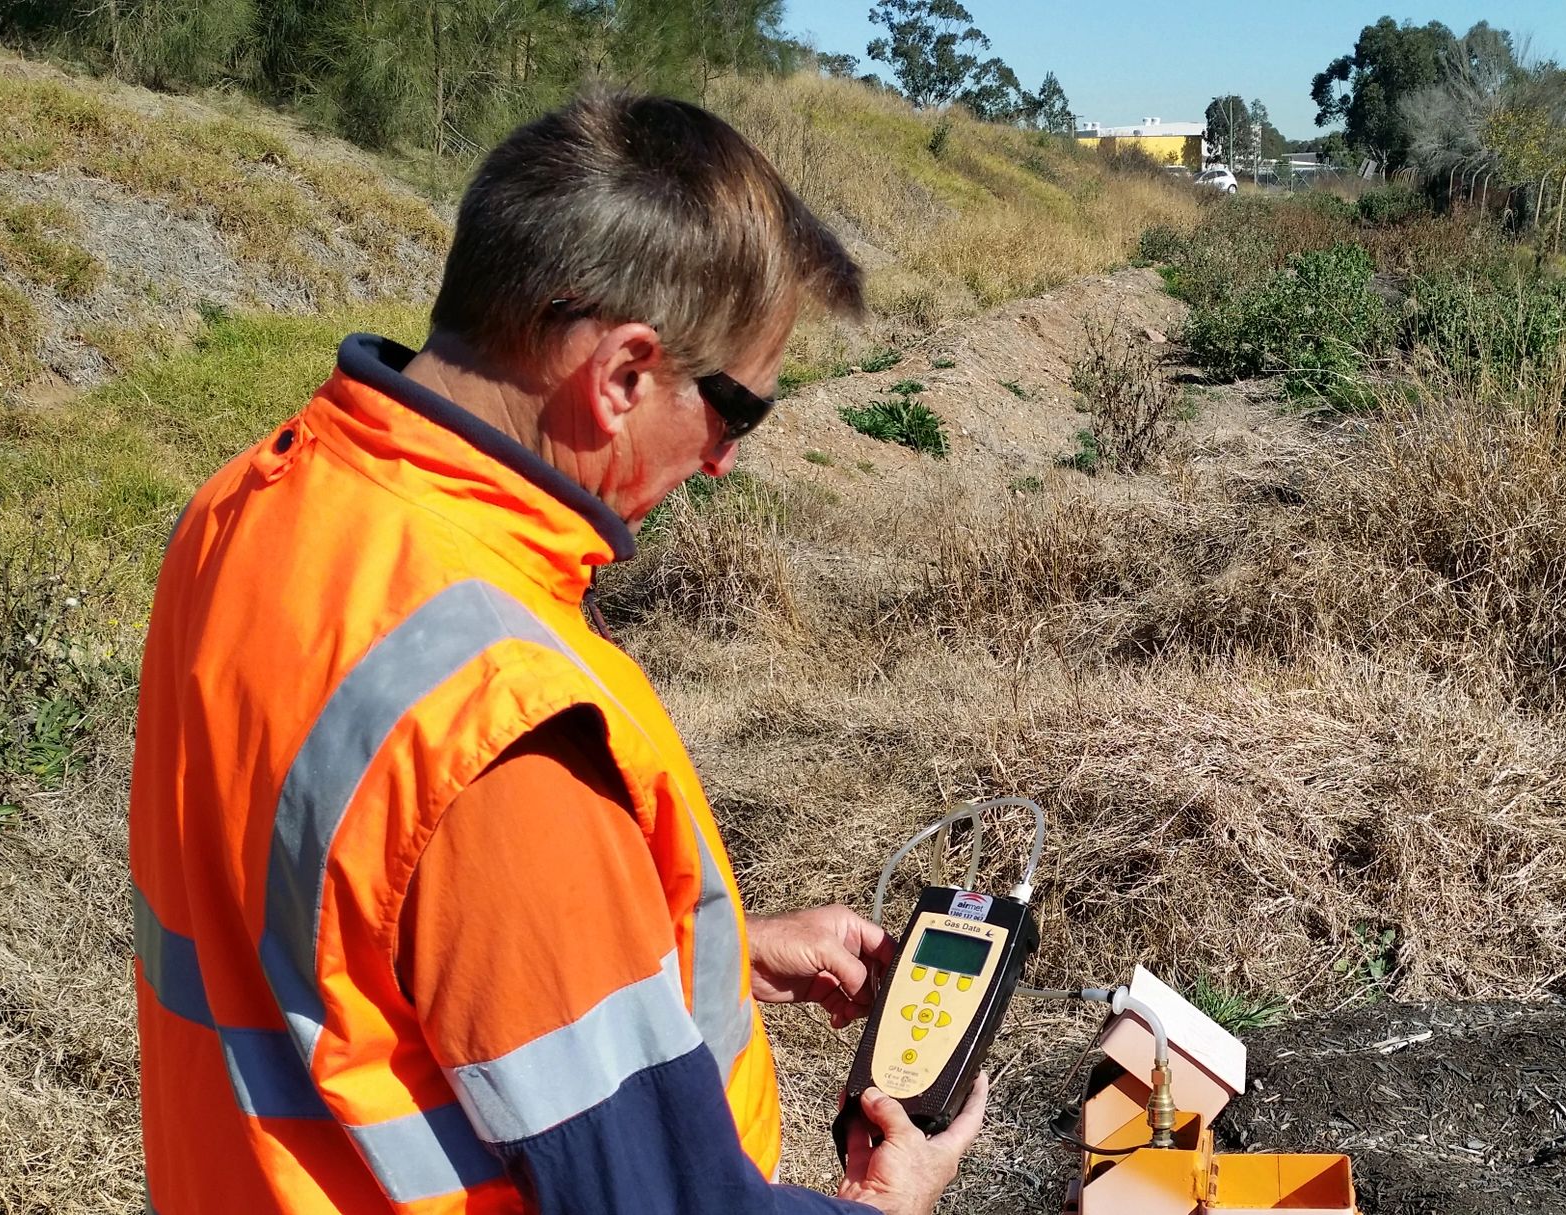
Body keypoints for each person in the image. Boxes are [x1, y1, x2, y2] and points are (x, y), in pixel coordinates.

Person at [127, 91, 986, 1215]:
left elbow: (351, 920)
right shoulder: (500, 721)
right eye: (737, 414)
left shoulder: (256, 501)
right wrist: (892, 1204)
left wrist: (688, 956)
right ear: (623, 374)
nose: (725, 464)